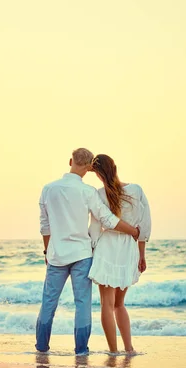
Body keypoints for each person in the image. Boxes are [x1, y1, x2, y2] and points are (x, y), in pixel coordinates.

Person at [36, 148, 140, 355]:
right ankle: (81, 351)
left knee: (48, 302)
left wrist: (48, 250)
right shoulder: (88, 191)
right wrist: (133, 231)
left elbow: (45, 225)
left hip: (56, 255)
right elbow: (107, 220)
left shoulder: (48, 189)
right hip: (82, 255)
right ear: (89, 168)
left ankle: (41, 348)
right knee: (82, 304)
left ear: (70, 161)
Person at [88, 154, 152, 354]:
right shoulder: (136, 190)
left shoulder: (99, 194)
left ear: (97, 174)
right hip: (127, 248)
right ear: (115, 167)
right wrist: (142, 254)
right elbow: (145, 225)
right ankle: (129, 348)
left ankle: (113, 351)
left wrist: (91, 251)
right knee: (119, 304)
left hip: (107, 247)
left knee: (106, 305)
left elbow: (96, 229)